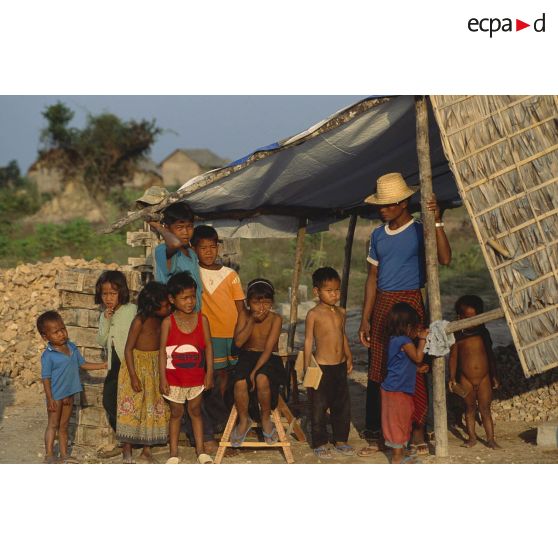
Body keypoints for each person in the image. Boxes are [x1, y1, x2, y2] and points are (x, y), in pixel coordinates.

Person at [358, 172, 451, 456]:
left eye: (388, 204)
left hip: (410, 303)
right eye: (380, 205)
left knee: (415, 365)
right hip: (384, 305)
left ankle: (417, 430)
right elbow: (372, 278)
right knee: (379, 369)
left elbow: (445, 258)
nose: (382, 209)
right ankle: (381, 433)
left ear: (403, 203)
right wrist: (365, 317)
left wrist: (436, 221)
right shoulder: (377, 235)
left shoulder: (420, 230)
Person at [191, 225, 246, 433]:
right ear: (194, 248)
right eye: (203, 247)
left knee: (231, 378)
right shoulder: (194, 273)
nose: (208, 251)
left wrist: (240, 335)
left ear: (218, 248)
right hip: (210, 336)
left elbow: (241, 308)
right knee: (215, 378)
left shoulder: (230, 274)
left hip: (232, 335)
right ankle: (218, 422)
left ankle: (233, 419)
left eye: (212, 247)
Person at [159, 272, 214, 464]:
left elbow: (208, 347)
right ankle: (173, 453)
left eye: (192, 297)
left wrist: (209, 373)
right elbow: (162, 352)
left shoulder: (202, 320)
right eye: (184, 298)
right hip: (174, 378)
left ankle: (201, 451)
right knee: (176, 413)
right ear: (172, 299)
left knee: (196, 411)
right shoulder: (168, 323)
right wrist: (163, 378)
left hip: (197, 376)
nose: (190, 302)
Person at [38, 311, 107, 464]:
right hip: (55, 397)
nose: (61, 334)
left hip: (69, 394)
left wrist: (102, 365)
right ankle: (49, 454)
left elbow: (82, 365)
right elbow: (46, 378)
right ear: (45, 337)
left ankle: (64, 455)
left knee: (64, 426)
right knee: (53, 424)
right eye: (56, 332)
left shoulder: (71, 347)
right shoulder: (48, 355)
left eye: (63, 329)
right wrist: (49, 398)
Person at [116, 282, 171, 463]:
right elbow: (128, 349)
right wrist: (133, 376)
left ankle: (147, 451)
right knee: (131, 408)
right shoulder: (139, 321)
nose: (168, 307)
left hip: (155, 367)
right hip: (136, 367)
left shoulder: (164, 320)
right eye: (165, 305)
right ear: (153, 306)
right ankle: (127, 450)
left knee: (151, 409)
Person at [304, 267, 354, 459]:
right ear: (316, 291)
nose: (334, 294)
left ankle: (341, 439)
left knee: (342, 404)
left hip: (339, 365)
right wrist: (308, 364)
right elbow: (308, 340)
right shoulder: (313, 314)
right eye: (329, 290)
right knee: (318, 405)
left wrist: (348, 356)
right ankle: (320, 442)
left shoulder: (341, 312)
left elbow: (342, 335)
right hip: (322, 366)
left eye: (337, 290)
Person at [229, 278, 285, 447]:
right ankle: (244, 420)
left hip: (268, 359)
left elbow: (268, 350)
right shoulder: (244, 315)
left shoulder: (276, 319)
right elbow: (238, 343)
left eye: (267, 303)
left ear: (272, 303)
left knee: (261, 378)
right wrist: (251, 321)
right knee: (239, 382)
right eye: (256, 303)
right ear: (248, 302)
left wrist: (254, 373)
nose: (261, 308)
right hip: (247, 356)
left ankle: (265, 418)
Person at [449, 295, 501, 450]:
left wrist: (494, 375)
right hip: (465, 379)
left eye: (474, 317)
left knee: (485, 409)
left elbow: (490, 356)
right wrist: (452, 378)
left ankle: (490, 439)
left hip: (484, 378)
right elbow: (453, 357)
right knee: (470, 409)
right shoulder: (457, 335)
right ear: (460, 317)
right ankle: (472, 438)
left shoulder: (483, 333)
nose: (471, 321)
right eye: (467, 318)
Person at [380, 303, 429, 464]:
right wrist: (422, 340)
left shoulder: (394, 340)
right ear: (408, 327)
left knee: (402, 419)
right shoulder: (404, 340)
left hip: (396, 388)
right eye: (416, 328)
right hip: (396, 390)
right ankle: (397, 458)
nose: (417, 331)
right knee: (398, 422)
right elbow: (417, 357)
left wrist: (417, 370)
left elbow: (400, 365)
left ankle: (400, 454)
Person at [95, 270, 137, 458]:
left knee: (131, 401)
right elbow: (101, 341)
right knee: (109, 401)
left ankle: (132, 440)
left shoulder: (131, 310)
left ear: (122, 292)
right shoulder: (104, 315)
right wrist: (106, 319)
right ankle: (124, 437)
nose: (109, 298)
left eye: (113, 293)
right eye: (105, 294)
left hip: (130, 362)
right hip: (114, 363)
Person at [149, 203, 203, 312]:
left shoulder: (191, 253)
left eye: (189, 226)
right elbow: (175, 244)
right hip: (174, 317)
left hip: (193, 315)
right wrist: (159, 227)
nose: (186, 232)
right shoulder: (162, 250)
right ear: (167, 228)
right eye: (179, 227)